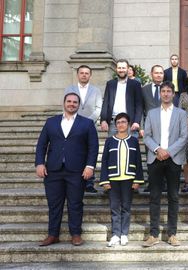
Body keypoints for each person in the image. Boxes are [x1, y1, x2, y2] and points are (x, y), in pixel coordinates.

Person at [35, 92, 99, 247]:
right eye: (69, 101)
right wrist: (39, 163)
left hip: (77, 171)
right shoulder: (51, 122)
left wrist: (90, 166)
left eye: (75, 102)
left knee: (75, 203)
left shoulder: (87, 123)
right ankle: (53, 235)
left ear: (78, 105)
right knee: (54, 204)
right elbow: (41, 144)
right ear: (64, 103)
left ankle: (76, 234)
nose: (71, 104)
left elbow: (93, 147)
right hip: (53, 170)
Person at [142, 81, 188, 247]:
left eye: (169, 91)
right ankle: (153, 234)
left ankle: (172, 233)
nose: (166, 94)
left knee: (173, 197)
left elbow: (184, 137)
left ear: (173, 94)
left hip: (173, 159)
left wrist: (168, 151)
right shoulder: (152, 113)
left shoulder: (181, 113)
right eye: (164, 91)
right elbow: (146, 136)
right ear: (160, 94)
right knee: (154, 196)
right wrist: (157, 150)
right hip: (155, 159)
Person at [99, 113, 144, 247]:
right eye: (118, 122)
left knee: (126, 207)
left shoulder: (134, 141)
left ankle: (124, 234)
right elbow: (105, 161)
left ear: (129, 124)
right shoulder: (109, 141)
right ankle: (115, 234)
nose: (121, 124)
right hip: (113, 179)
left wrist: (137, 180)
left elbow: (138, 162)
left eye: (124, 122)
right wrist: (105, 180)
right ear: (115, 125)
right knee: (114, 208)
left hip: (129, 179)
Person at [64, 65, 102, 194]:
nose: (84, 75)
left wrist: (88, 122)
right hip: (72, 126)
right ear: (77, 75)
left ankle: (90, 183)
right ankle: (75, 181)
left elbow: (98, 108)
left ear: (90, 75)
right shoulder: (70, 89)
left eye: (87, 73)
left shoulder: (96, 90)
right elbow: (66, 105)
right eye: (82, 73)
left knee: (90, 152)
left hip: (90, 126)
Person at [100, 59, 143, 137]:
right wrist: (103, 120)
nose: (121, 70)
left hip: (130, 123)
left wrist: (137, 122)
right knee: (113, 147)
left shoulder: (135, 84)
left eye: (123, 68)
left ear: (127, 69)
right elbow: (105, 103)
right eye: (119, 68)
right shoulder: (110, 84)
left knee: (130, 148)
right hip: (113, 123)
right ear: (116, 69)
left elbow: (139, 105)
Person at [140, 64, 165, 193]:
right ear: (151, 74)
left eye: (161, 73)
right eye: (156, 73)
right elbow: (140, 109)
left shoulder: (168, 89)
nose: (159, 75)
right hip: (149, 129)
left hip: (166, 129)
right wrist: (141, 127)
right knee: (151, 157)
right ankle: (152, 183)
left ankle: (164, 184)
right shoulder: (144, 89)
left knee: (165, 156)